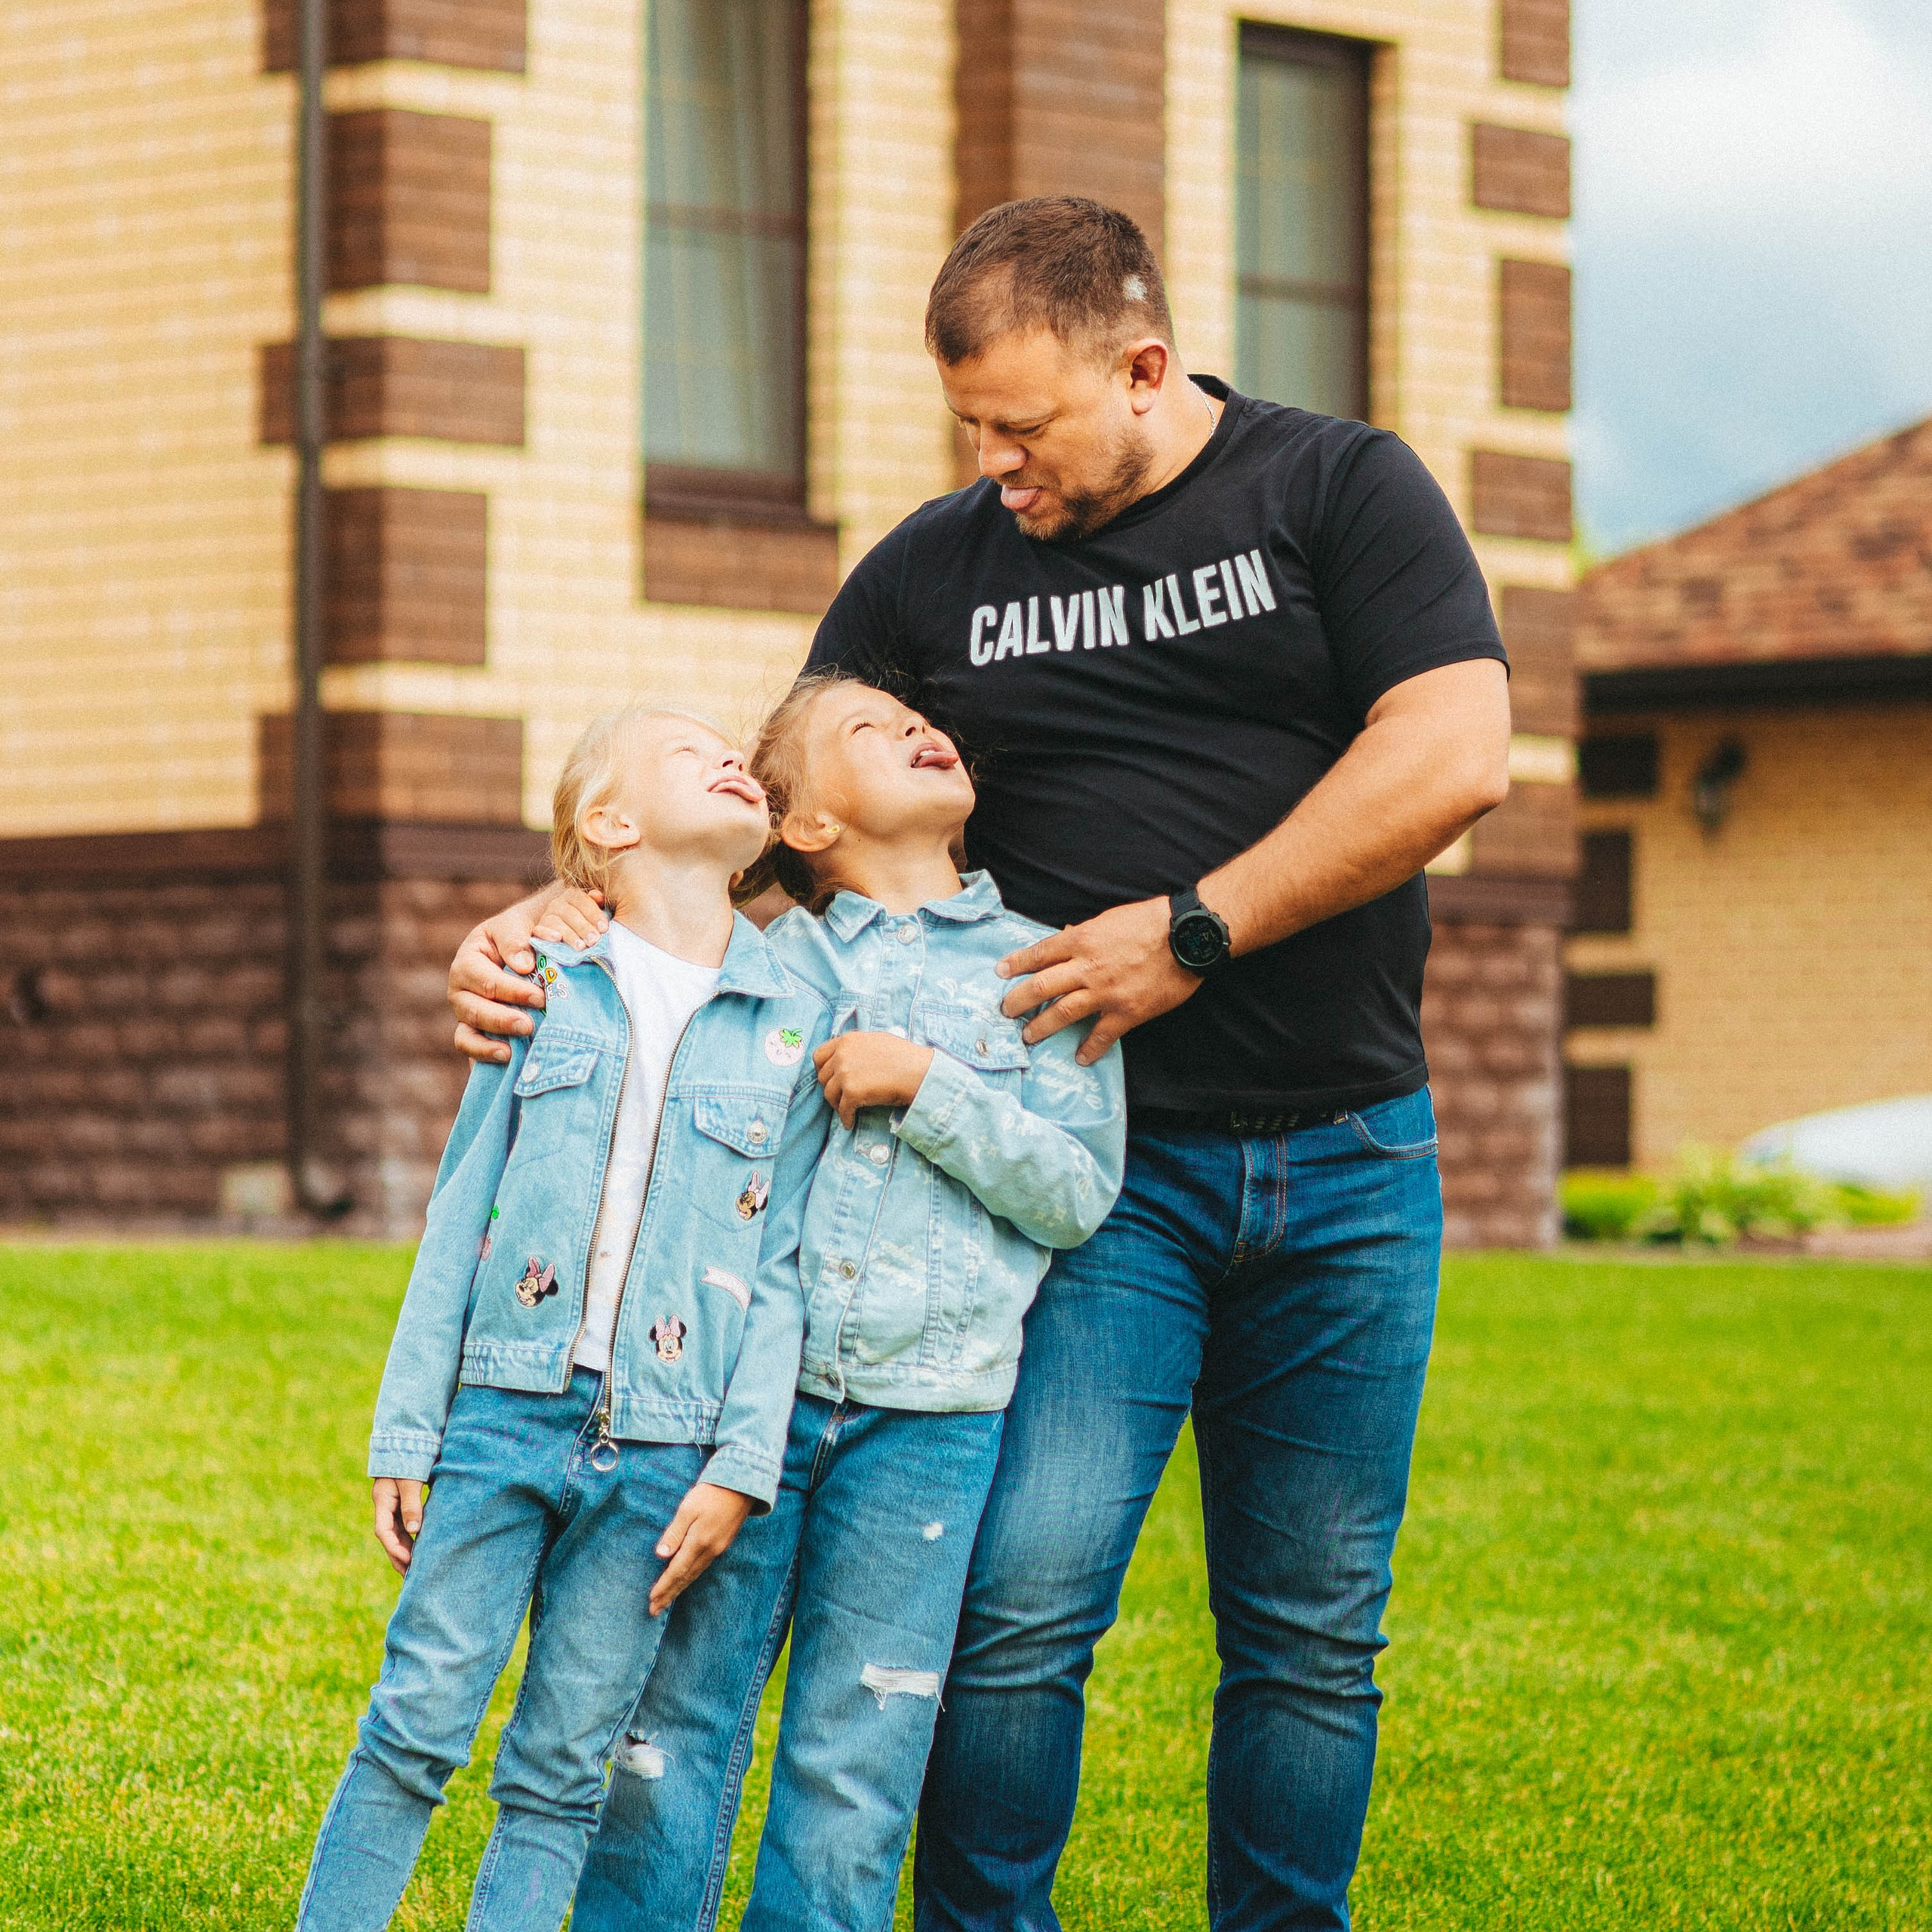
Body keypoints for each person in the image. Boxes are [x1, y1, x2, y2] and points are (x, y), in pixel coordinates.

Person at [448, 195, 1512, 1930]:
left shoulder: (1336, 490)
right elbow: (776, 797)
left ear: (1145, 367)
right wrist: (549, 910)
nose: (992, 463)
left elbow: (1455, 749)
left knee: (1313, 1630)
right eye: (968, 427)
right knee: (1015, 1607)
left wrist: (1192, 928)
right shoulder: (937, 568)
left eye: (1022, 428)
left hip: (1347, 1154)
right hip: (1093, 1178)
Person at [563, 672, 1126, 1931]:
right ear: (802, 826)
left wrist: (931, 1084)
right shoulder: (762, 967)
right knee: (670, 1728)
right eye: (870, 731)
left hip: (932, 1427)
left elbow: (1080, 1188)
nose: (923, 730)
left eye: (923, 722)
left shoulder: (1049, 968)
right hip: (740, 1416)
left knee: (858, 1753)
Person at [295, 707, 835, 1932]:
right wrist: (404, 1428)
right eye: (689, 747)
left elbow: (787, 1266)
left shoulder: (792, 1021)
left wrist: (744, 1464)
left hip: (665, 1453)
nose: (730, 756)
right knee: (412, 1730)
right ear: (611, 822)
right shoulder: (544, 981)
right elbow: (457, 1212)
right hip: (500, 1418)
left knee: (559, 1775)